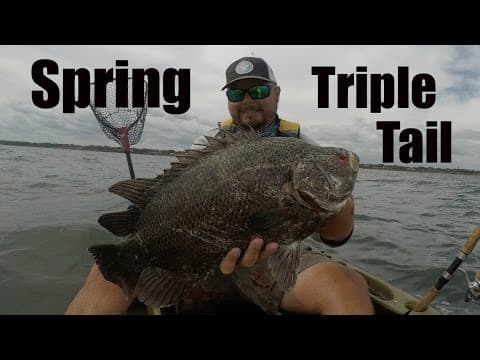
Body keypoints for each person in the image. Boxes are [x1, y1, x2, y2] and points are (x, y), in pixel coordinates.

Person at [65, 56, 374, 315]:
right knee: (108, 272)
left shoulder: (304, 148)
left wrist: (341, 206)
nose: (248, 99)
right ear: (228, 101)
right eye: (237, 94)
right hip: (199, 258)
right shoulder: (206, 147)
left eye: (258, 90)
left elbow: (335, 238)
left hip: (272, 261)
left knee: (346, 284)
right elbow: (173, 200)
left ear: (277, 93)